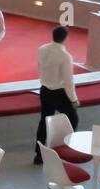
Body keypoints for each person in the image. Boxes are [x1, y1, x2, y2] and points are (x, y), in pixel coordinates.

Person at [34, 25, 80, 163]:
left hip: (45, 90)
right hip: (59, 93)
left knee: (44, 122)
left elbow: (39, 66)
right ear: (65, 38)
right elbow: (68, 80)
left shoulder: (41, 49)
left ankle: (39, 155)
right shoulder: (65, 56)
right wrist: (73, 99)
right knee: (73, 118)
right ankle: (65, 148)